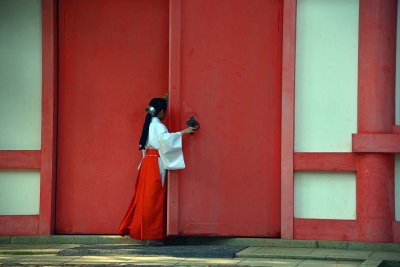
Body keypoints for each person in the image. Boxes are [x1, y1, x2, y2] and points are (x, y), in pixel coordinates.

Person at [117, 96, 197, 244]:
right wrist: (183, 132)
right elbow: (165, 141)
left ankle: (147, 232)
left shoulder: (149, 123)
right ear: (160, 112)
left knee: (146, 198)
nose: (165, 114)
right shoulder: (159, 126)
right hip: (155, 163)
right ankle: (152, 236)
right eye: (164, 111)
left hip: (148, 161)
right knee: (155, 199)